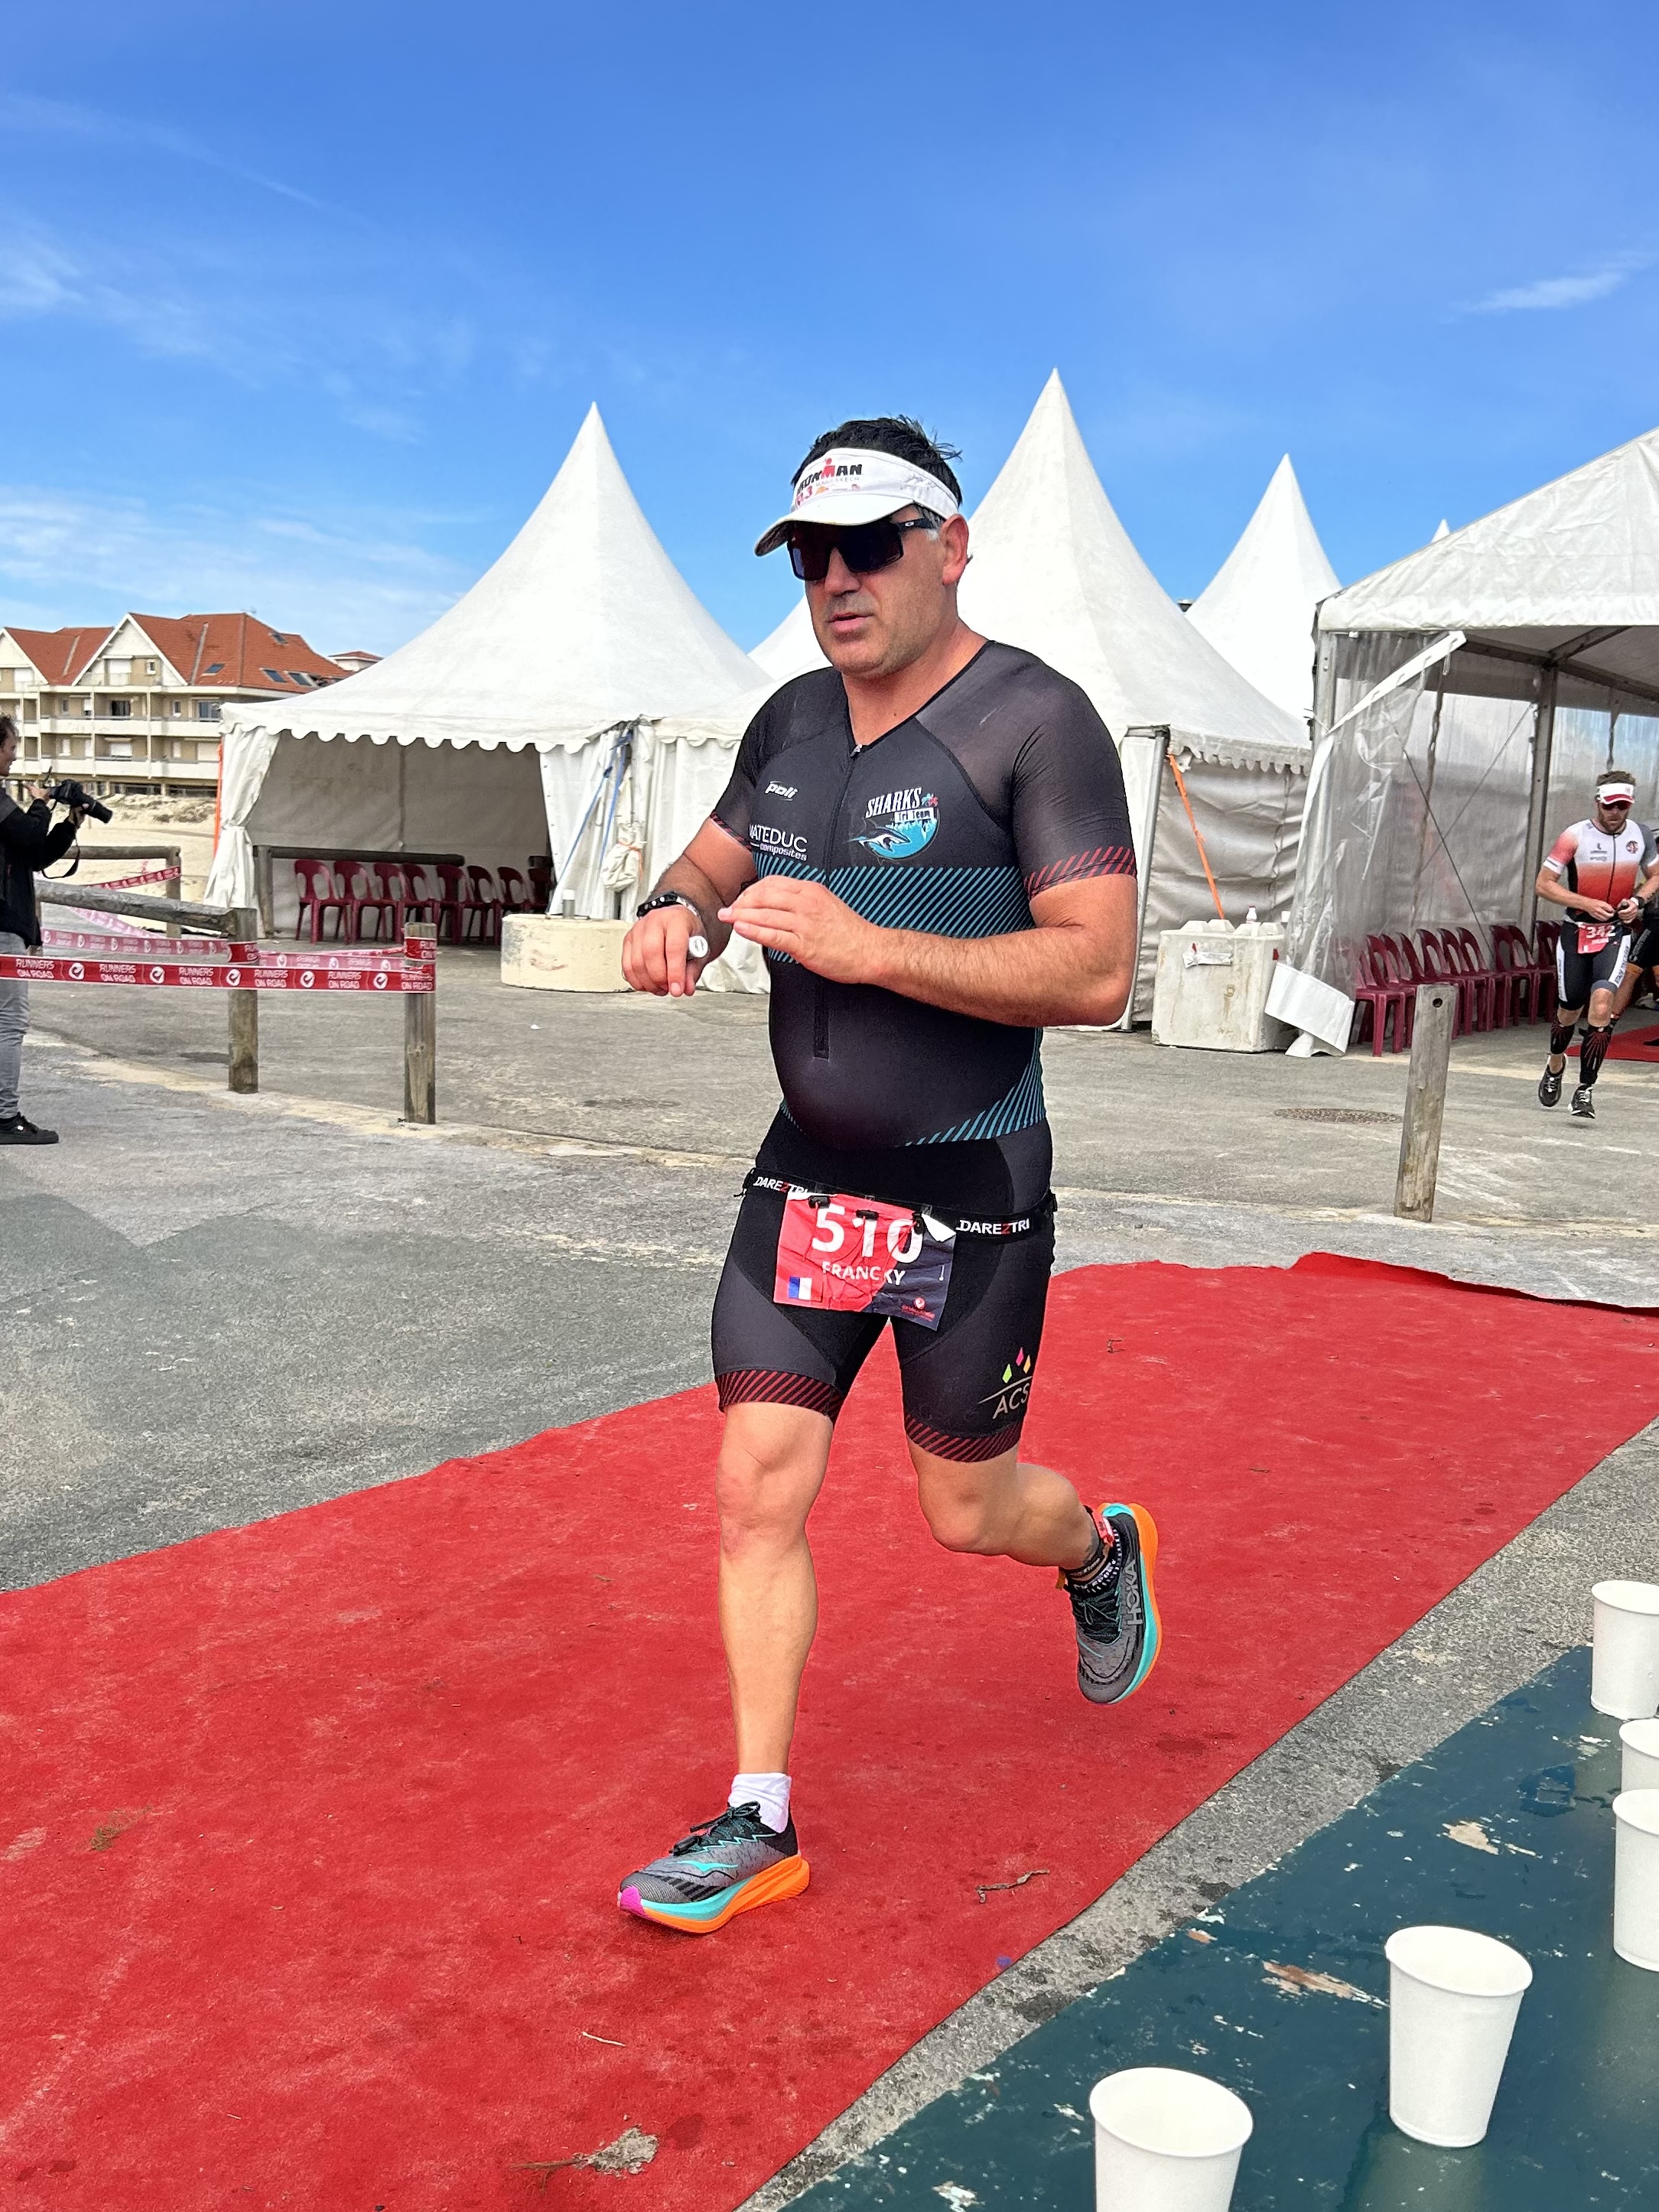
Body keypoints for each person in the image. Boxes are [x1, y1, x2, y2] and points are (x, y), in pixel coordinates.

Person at [614, 416, 1156, 1936]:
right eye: (809, 556)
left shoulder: (1035, 722)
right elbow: (707, 863)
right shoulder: (787, 721)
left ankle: (1098, 1549)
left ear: (949, 545)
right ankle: (757, 1815)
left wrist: (871, 949)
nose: (836, 580)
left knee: (964, 1512)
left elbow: (1097, 969)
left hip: (966, 1174)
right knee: (753, 1483)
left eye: (868, 545)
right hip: (809, 1175)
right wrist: (675, 914)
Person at [1535, 769, 1657, 1120]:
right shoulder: (1575, 835)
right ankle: (1555, 1063)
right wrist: (1585, 903)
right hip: (1577, 932)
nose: (1615, 813)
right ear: (1597, 802)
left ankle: (1585, 1089)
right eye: (1609, 806)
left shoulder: (1640, 835)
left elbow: (1656, 876)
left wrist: (1639, 900)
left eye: (1623, 806)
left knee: (1602, 1006)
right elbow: (1543, 884)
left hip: (1615, 933)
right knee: (1568, 1010)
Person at [0, 716, 83, 1145]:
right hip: (2, 925)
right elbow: (30, 833)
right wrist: (42, 803)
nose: (14, 757)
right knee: (10, 1022)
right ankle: (4, 1117)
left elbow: (34, 856)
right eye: (11, 748)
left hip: (8, 923)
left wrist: (70, 825)